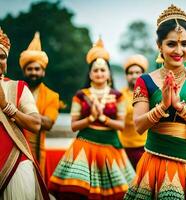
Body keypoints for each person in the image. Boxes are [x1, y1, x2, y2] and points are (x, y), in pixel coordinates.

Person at [124, 5, 186, 199]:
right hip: (155, 163)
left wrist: (179, 107)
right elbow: (139, 126)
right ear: (159, 45)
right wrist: (163, 106)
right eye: (171, 44)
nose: (179, 50)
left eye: (184, 43)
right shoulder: (145, 81)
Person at [48, 38, 135, 199]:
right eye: (95, 70)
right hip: (84, 146)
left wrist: (103, 118)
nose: (99, 73)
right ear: (90, 74)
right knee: (77, 192)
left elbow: (121, 125)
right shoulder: (81, 95)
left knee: (116, 195)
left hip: (110, 147)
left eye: (103, 70)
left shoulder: (118, 96)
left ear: (108, 73)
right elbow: (74, 126)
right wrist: (90, 118)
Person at [0, 28, 49, 199]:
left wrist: (6, 106)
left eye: (2, 56)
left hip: (15, 163)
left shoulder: (18, 87)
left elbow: (36, 124)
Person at [19, 32, 60, 177]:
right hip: (14, 147)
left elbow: (48, 123)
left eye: (37, 69)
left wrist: (18, 115)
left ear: (43, 71)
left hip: (36, 151)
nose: (33, 72)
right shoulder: (16, 90)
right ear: (24, 71)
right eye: (29, 69)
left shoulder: (52, 96)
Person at [119, 54, 149, 169]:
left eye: (138, 72)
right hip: (123, 147)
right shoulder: (120, 95)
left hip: (145, 146)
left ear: (143, 74)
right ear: (126, 76)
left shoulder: (150, 95)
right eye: (130, 73)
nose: (134, 76)